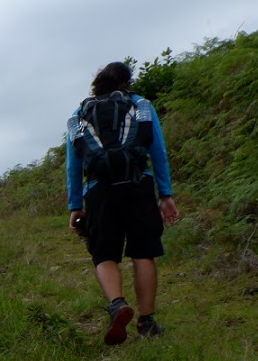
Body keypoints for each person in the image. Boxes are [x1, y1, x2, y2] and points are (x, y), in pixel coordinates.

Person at [67, 61, 180, 343]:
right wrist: (165, 194)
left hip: (99, 190)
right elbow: (158, 151)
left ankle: (117, 303)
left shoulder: (79, 113)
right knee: (143, 252)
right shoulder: (141, 105)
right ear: (127, 82)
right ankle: (146, 322)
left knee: (104, 254)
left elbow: (74, 163)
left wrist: (75, 205)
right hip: (138, 184)